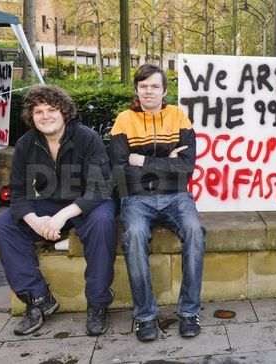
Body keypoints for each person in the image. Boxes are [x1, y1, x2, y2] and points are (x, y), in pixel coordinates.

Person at [0, 85, 116, 336]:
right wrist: (34, 220)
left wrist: (62, 216)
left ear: (64, 112)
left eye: (51, 109)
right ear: (31, 116)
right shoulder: (27, 144)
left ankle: (98, 303)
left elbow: (99, 188)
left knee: (103, 223)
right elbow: (18, 192)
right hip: (51, 201)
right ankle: (38, 299)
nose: (45, 116)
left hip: (90, 202)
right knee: (4, 224)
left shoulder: (87, 138)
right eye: (38, 111)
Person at [110, 64, 205, 342]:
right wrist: (168, 162)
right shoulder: (123, 120)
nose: (148, 91)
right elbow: (118, 169)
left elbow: (186, 168)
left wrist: (142, 161)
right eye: (143, 86)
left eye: (154, 86)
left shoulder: (178, 117)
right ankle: (145, 317)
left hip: (176, 195)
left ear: (164, 90)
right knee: (135, 235)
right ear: (136, 90)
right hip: (137, 197)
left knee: (195, 232)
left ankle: (189, 312)